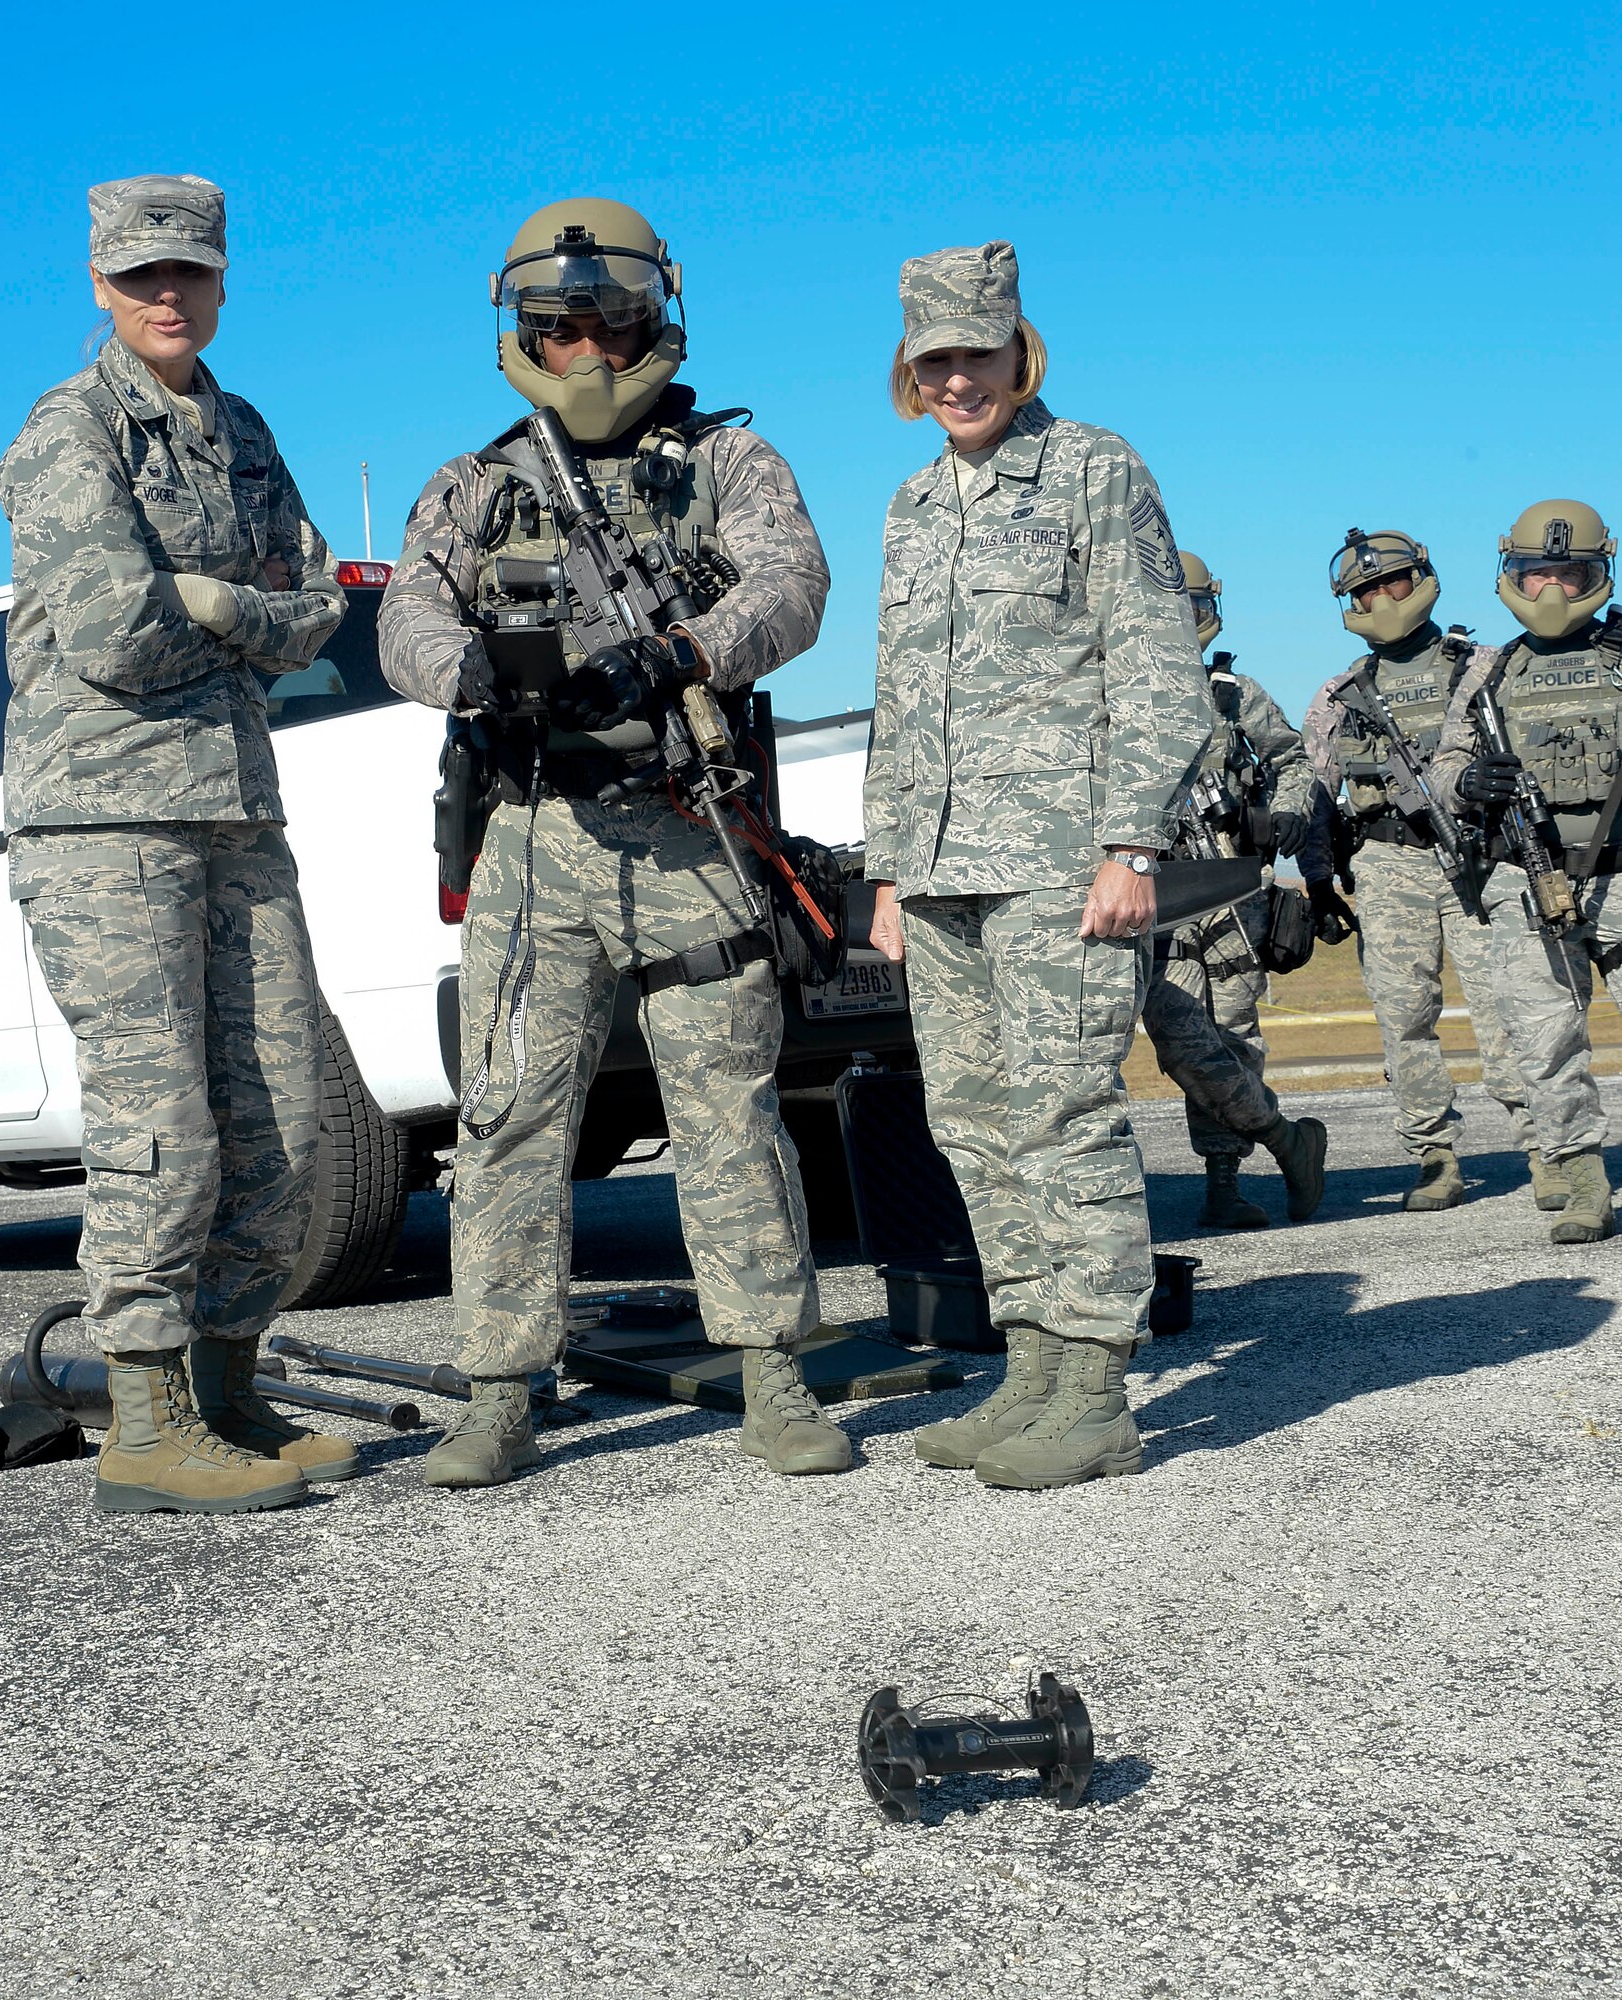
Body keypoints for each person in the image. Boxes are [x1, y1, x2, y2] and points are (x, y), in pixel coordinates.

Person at [379, 197, 846, 1484]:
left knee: (728, 1110)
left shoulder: (729, 465)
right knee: (511, 1119)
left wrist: (676, 652)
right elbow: (402, 621)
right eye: (558, 324)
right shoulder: (475, 484)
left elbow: (791, 584)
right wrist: (483, 670)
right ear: (522, 330)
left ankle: (775, 1372)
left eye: (611, 319)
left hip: (689, 831)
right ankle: (498, 1386)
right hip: (534, 837)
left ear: (654, 317)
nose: (586, 347)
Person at [0, 175, 352, 1514]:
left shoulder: (242, 431)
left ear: (220, 280)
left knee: (277, 1111)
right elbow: (115, 635)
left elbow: (318, 602)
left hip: (236, 810)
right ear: (99, 284)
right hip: (107, 822)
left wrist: (215, 600)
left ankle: (227, 1389)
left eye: (188, 271)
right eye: (140, 273)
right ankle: (144, 1425)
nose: (166, 293)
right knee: (160, 1124)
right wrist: (221, 605)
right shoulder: (67, 434)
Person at [863, 240, 1211, 1491]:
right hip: (944, 873)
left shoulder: (1093, 470)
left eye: (980, 353)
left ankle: (1101, 1387)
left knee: (1065, 1117)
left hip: (1065, 862)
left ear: (1023, 350)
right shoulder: (911, 508)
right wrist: (890, 872)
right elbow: (899, 702)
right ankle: (1034, 1365)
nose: (961, 378)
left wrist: (1133, 845)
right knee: (969, 1121)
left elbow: (1160, 670)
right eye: (937, 357)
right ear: (912, 367)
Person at [1300, 528, 1552, 1213]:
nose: (1380, 597)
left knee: (1508, 1009)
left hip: (1477, 859)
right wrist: (1318, 882)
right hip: (1382, 866)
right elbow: (1315, 794)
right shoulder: (1340, 693)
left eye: (1392, 582)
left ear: (1422, 578)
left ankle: (1543, 1146)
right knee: (1402, 1018)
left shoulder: (1484, 665)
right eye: (1364, 590)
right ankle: (1433, 1156)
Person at [1432, 500, 1622, 1244]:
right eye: (1536, 572)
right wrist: (1466, 783)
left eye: (1569, 573)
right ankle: (1580, 1181)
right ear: (1511, 573)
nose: (1551, 590)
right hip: (1527, 878)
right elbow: (1444, 762)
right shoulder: (1490, 668)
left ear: (1595, 573)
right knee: (1542, 1043)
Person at [1139, 552, 1327, 1229]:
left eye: (1185, 608)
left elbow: (1291, 759)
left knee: (1233, 1036)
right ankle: (1286, 1139)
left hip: (1229, 894)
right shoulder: (1109, 693)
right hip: (1151, 897)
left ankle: (1223, 1182)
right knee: (1179, 1036)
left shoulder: (1231, 693)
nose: (1174, 621)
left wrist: (1288, 812)